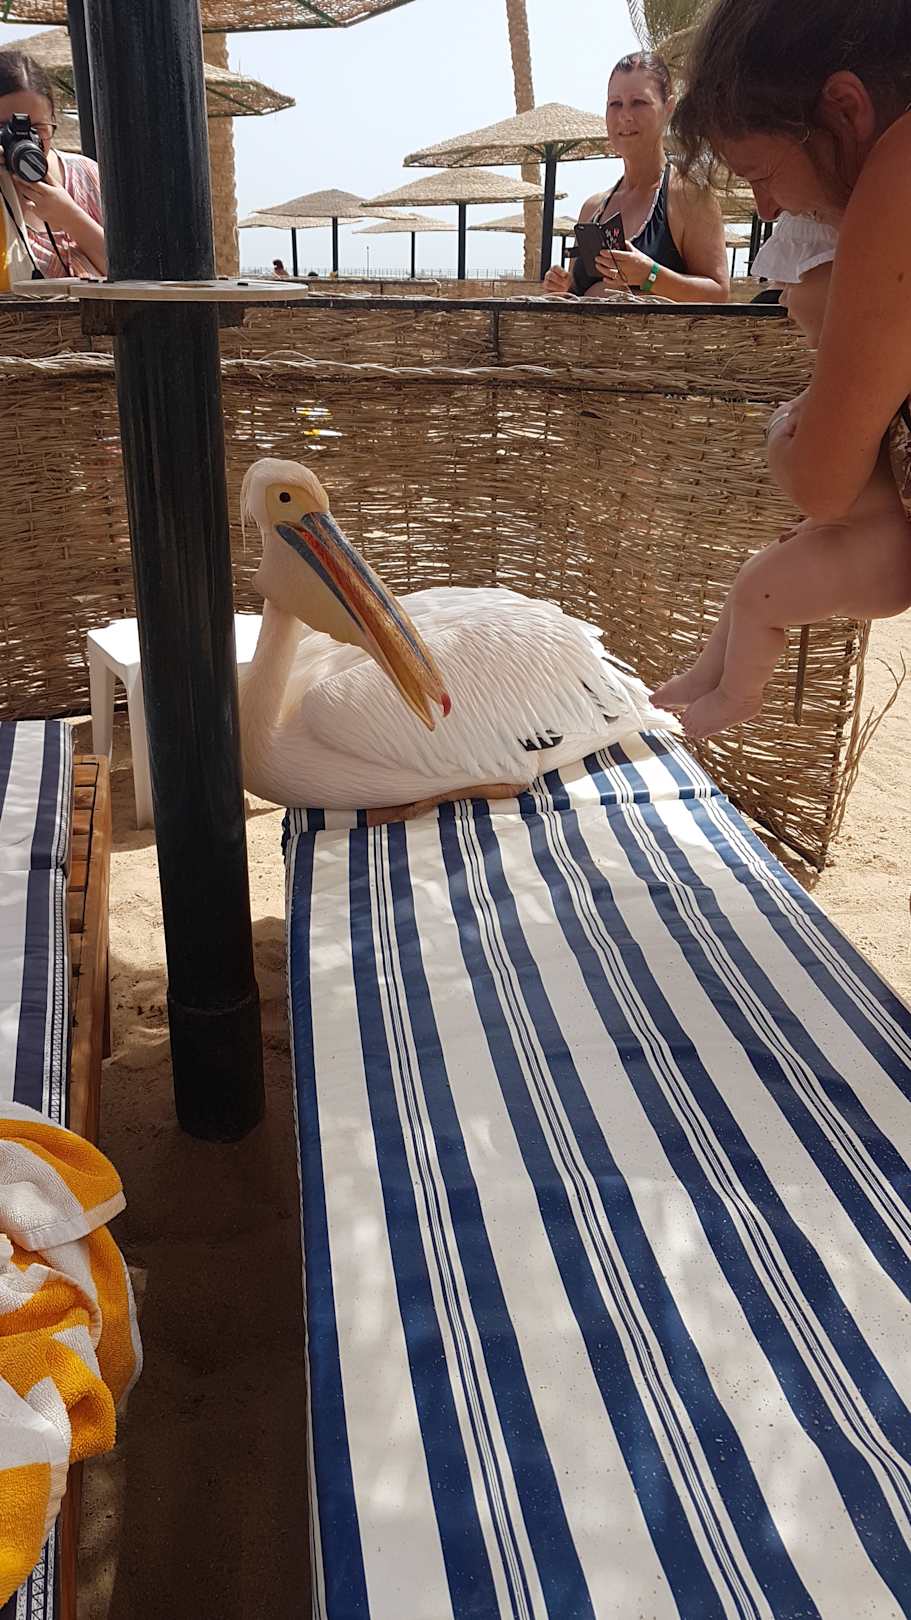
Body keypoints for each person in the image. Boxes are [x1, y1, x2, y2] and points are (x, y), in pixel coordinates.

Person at [666, 0, 911, 652]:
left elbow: (820, 482)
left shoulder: (901, 168)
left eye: (761, 176)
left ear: (845, 110)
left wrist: (781, 433)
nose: (768, 208)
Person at [652, 214, 911, 735]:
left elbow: (810, 471)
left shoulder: (860, 372)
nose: (784, 300)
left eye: (793, 283)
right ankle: (706, 674)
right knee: (752, 576)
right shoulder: (860, 366)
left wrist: (778, 430)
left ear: (843, 284)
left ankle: (738, 694)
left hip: (880, 550)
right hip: (861, 533)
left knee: (760, 593)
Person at [543, 52, 729, 304]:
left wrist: (650, 275)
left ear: (669, 108)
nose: (625, 115)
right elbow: (576, 294)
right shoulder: (592, 209)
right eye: (615, 104)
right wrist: (562, 288)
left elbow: (718, 294)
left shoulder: (688, 197)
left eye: (639, 102)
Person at [0, 49, 105, 279]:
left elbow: (136, 274)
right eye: (5, 129)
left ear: (53, 121)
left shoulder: (87, 175)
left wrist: (70, 217)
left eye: (36, 128)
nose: (23, 139)